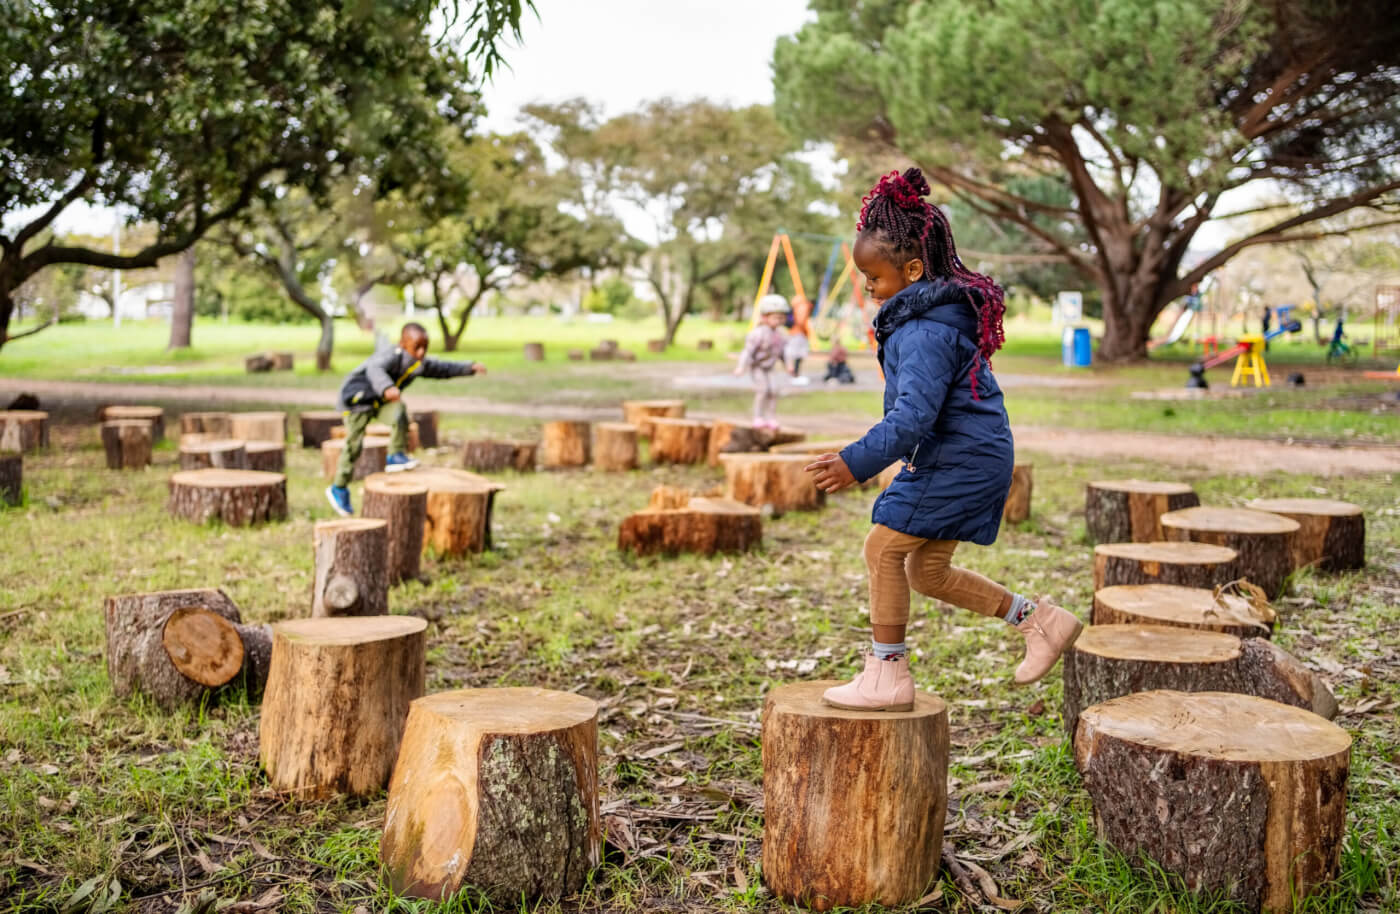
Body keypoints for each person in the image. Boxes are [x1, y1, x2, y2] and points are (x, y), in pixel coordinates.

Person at [805, 168, 1082, 711]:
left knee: (883, 547)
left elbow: (913, 418)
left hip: (961, 459)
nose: (869, 289)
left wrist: (853, 462)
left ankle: (886, 674)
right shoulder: (925, 319)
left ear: (912, 270)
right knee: (926, 571)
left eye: (875, 279)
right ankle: (1041, 621)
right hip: (969, 455)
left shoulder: (925, 331)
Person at [325, 322, 485, 516]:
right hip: (358, 399)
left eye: (425, 347)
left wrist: (470, 368)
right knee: (354, 445)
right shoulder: (392, 355)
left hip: (380, 402)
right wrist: (386, 387)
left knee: (399, 411)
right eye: (416, 347)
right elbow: (375, 369)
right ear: (403, 343)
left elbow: (443, 368)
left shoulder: (418, 363)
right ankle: (339, 488)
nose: (421, 352)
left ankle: (395, 455)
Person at [734, 295, 789, 429]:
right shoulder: (758, 333)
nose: (779, 321)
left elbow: (782, 352)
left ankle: (771, 418)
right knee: (763, 390)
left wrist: (789, 365)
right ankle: (758, 417)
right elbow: (747, 351)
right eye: (776, 317)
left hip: (769, 368)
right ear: (765, 317)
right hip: (757, 367)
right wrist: (741, 367)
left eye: (781, 317)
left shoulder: (780, 335)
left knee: (774, 390)